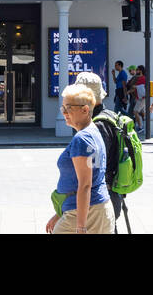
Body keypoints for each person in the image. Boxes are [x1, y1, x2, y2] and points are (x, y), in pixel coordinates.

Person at [45, 83, 112, 234]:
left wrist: (81, 226)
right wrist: (60, 214)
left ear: (85, 109)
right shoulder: (93, 131)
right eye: (63, 108)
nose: (64, 112)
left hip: (86, 212)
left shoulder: (82, 139)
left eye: (68, 108)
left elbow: (85, 185)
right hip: (92, 208)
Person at [76, 71, 124, 230]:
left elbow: (93, 172)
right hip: (112, 194)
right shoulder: (110, 115)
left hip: (100, 199)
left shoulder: (98, 126)